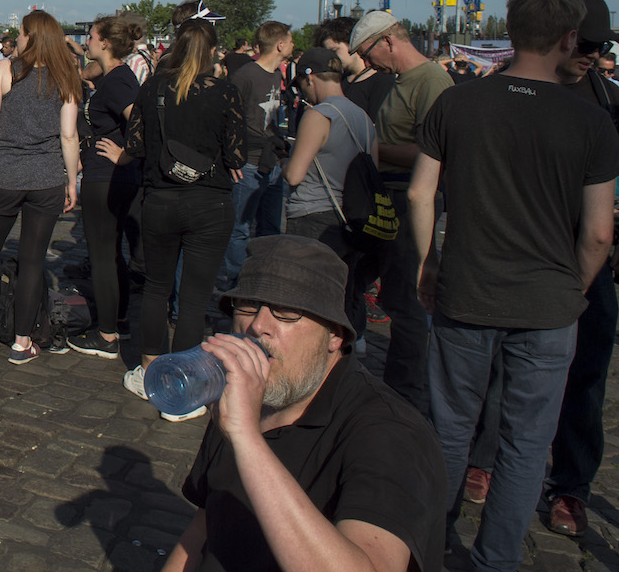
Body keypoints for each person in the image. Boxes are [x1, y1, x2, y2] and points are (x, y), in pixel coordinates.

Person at [408, 0, 617, 572]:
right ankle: (495, 560)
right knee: (526, 444)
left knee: (449, 427)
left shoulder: (458, 100)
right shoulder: (592, 123)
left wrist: (428, 264)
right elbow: (599, 232)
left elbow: (422, 196)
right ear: (569, 37)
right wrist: (571, 290)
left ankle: (429, 545)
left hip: (467, 290)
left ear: (512, 31)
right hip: (548, 303)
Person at [166, 236, 446, 572]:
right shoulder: (241, 395)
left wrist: (246, 439)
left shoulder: (391, 434)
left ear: (335, 335)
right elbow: (202, 529)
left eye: (287, 311)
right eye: (248, 305)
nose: (258, 326)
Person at [107, 17, 245, 422]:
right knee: (194, 297)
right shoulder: (225, 92)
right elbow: (238, 156)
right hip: (210, 202)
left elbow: (135, 143)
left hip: (162, 198)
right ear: (214, 52)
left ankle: (150, 369)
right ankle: (183, 381)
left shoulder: (153, 88)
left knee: (156, 288)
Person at [540, 0, 619, 536]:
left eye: (601, 45)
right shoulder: (529, 94)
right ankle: (486, 458)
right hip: (532, 251)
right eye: (584, 44)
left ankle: (570, 485)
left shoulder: (608, 100)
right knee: (503, 368)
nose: (591, 53)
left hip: (593, 259)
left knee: (587, 374)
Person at [348, 9, 451, 416]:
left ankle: (405, 395)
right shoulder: (404, 80)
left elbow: (435, 154)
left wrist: (372, 149)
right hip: (389, 195)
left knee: (407, 300)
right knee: (379, 287)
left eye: (368, 53)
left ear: (388, 41)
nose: (369, 63)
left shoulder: (432, 81)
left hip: (410, 199)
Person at [0, 10, 81, 364]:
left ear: (31, 37)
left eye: (19, 34)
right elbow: (68, 135)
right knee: (34, 260)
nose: (15, 40)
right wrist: (71, 180)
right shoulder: (67, 76)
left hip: (5, 172)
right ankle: (21, 341)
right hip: (47, 176)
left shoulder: (5, 69)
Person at [279, 48, 380, 345]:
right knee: (345, 293)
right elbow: (372, 170)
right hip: (354, 220)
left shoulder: (319, 115)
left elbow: (295, 175)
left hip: (314, 216)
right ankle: (347, 349)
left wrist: (285, 162)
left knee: (307, 296)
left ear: (310, 78)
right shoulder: (362, 117)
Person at [69, 13, 144, 362]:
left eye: (92, 35)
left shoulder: (118, 81)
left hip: (108, 176)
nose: (88, 41)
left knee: (102, 257)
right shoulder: (113, 75)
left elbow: (142, 122)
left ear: (106, 42)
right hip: (107, 175)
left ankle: (107, 335)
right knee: (111, 254)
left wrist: (126, 155)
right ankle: (119, 320)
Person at [217, 21, 293, 295]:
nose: (293, 45)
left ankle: (264, 281)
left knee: (271, 227)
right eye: (291, 41)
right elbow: (226, 116)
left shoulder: (276, 76)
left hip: (270, 162)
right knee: (239, 228)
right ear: (280, 44)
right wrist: (231, 158)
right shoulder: (246, 75)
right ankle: (238, 284)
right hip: (248, 163)